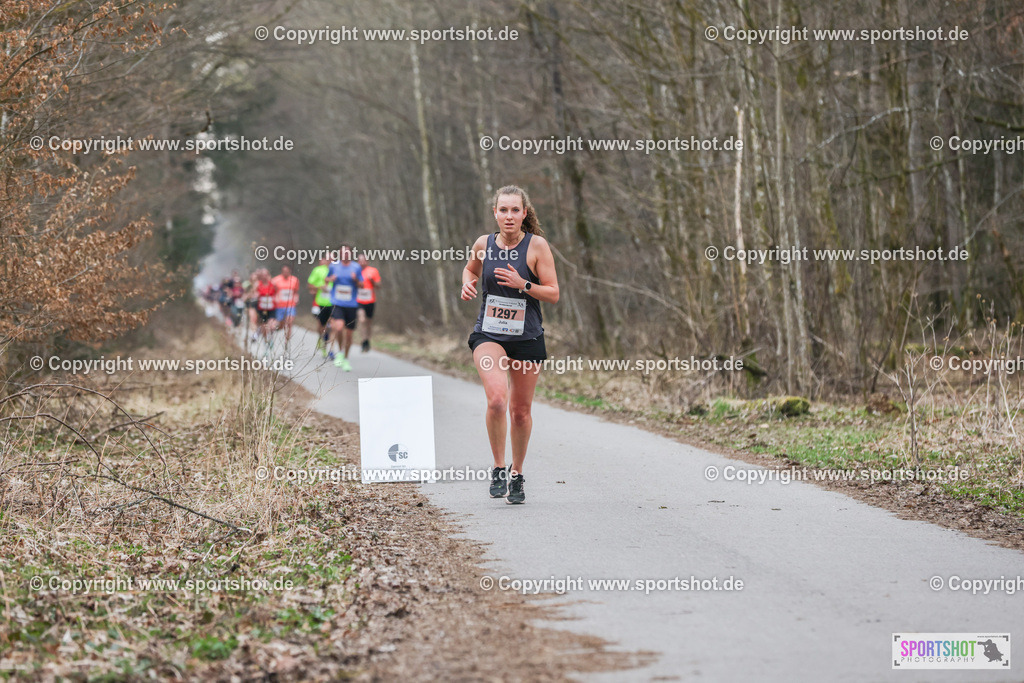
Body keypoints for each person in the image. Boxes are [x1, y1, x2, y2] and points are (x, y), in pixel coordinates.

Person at [460, 185, 558, 505]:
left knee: (519, 412)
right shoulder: (483, 244)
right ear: (495, 213)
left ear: (524, 213)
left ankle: (517, 473)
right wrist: (467, 282)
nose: (509, 216)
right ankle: (499, 468)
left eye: (515, 210)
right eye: (503, 210)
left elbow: (553, 293)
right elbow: (470, 269)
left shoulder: (537, 247)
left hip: (527, 337)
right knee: (498, 401)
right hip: (489, 334)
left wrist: (523, 284)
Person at [325, 245, 363, 371]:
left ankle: (345, 358)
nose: (345, 255)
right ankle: (339, 352)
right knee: (339, 327)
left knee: (349, 334)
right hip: (337, 303)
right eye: (343, 253)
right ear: (340, 254)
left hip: (351, 304)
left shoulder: (356, 267)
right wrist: (330, 279)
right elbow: (326, 280)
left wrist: (356, 279)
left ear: (351, 254)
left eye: (347, 253)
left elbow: (362, 285)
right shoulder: (333, 266)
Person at [307, 256, 335, 357]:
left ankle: (330, 350)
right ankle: (321, 338)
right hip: (321, 302)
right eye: (329, 259)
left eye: (333, 259)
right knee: (322, 325)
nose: (330, 261)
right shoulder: (318, 270)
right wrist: (320, 287)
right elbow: (309, 285)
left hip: (335, 302)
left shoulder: (337, 269)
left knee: (333, 325)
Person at [356, 254, 381, 352]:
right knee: (362, 320)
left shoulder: (373, 271)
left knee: (368, 323)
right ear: (358, 262)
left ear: (367, 261)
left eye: (364, 260)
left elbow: (379, 286)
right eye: (360, 261)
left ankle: (367, 340)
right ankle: (363, 340)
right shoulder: (355, 271)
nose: (362, 262)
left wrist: (372, 281)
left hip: (370, 301)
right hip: (358, 300)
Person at [271, 266, 300, 344]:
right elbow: (271, 292)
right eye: (284, 271)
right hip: (279, 306)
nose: (285, 273)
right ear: (281, 271)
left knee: (290, 321)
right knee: (280, 325)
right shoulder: (275, 280)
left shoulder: (295, 280)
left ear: (290, 271)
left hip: (290, 305)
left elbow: (295, 292)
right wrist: (274, 298)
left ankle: (286, 341)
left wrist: (296, 298)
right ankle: (274, 332)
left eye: (287, 271)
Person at [254, 268, 278, 343]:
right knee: (264, 327)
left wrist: (276, 298)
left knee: (272, 326)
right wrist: (256, 296)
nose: (264, 276)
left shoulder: (273, 284)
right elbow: (254, 293)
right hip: (262, 309)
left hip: (271, 308)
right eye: (263, 275)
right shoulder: (258, 284)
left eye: (266, 275)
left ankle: (271, 338)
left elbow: (277, 292)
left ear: (268, 275)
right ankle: (265, 341)